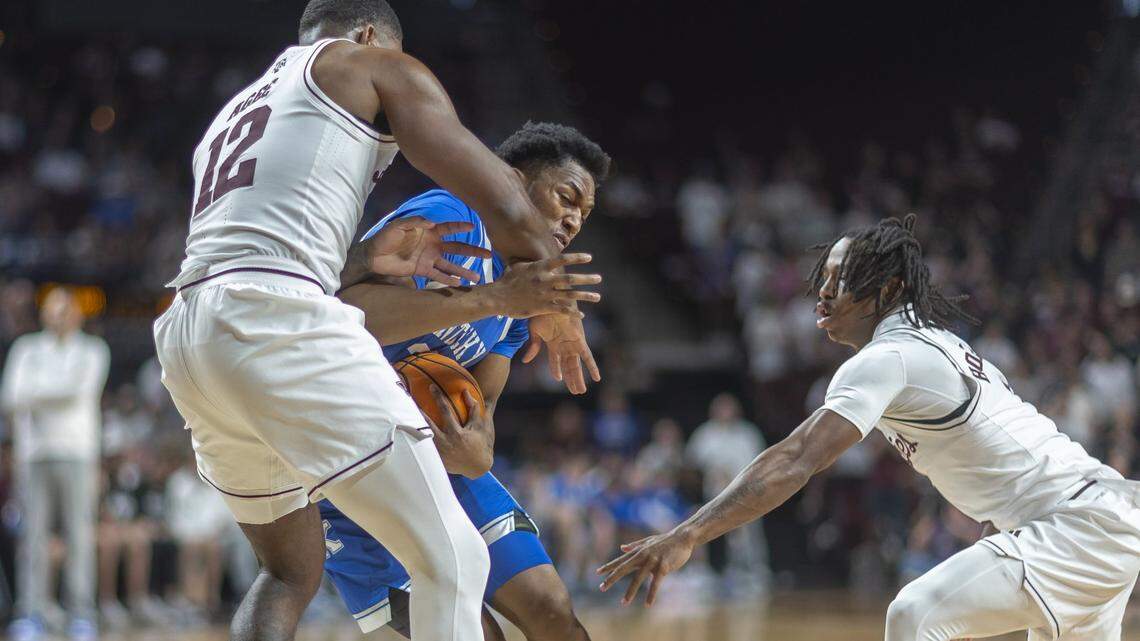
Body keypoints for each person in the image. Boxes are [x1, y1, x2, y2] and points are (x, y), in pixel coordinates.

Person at [152, 2, 601, 640]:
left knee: (285, 573)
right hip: (279, 323)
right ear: (368, 37)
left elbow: (262, 246)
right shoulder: (369, 66)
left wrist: (361, 257)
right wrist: (562, 308)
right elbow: (501, 193)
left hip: (190, 330)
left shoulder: (238, 110)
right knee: (453, 558)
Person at [598, 215, 1140, 641]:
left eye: (840, 278)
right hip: (1095, 517)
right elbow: (1007, 453)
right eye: (823, 277)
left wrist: (686, 534)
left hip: (1076, 525)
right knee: (928, 616)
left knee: (913, 615)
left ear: (888, 289)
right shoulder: (940, 344)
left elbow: (794, 460)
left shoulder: (889, 357)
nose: (823, 291)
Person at [322, 122, 608, 641]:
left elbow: (484, 408)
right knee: (473, 635)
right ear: (514, 182)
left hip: (441, 467)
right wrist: (490, 299)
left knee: (554, 616)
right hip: (353, 464)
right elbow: (340, 310)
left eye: (583, 215)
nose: (572, 219)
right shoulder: (451, 218)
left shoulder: (522, 299)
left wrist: (477, 446)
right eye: (567, 198)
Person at [1, 288, 110, 641]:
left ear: (78, 315)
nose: (59, 316)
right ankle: (32, 612)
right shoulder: (26, 348)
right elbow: (9, 398)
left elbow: (76, 392)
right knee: (33, 538)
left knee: (79, 535)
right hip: (33, 455)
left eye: (65, 310)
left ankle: (81, 613)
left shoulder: (93, 350)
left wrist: (35, 394)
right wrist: (46, 394)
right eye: (53, 310)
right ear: (44, 314)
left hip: (78, 452)